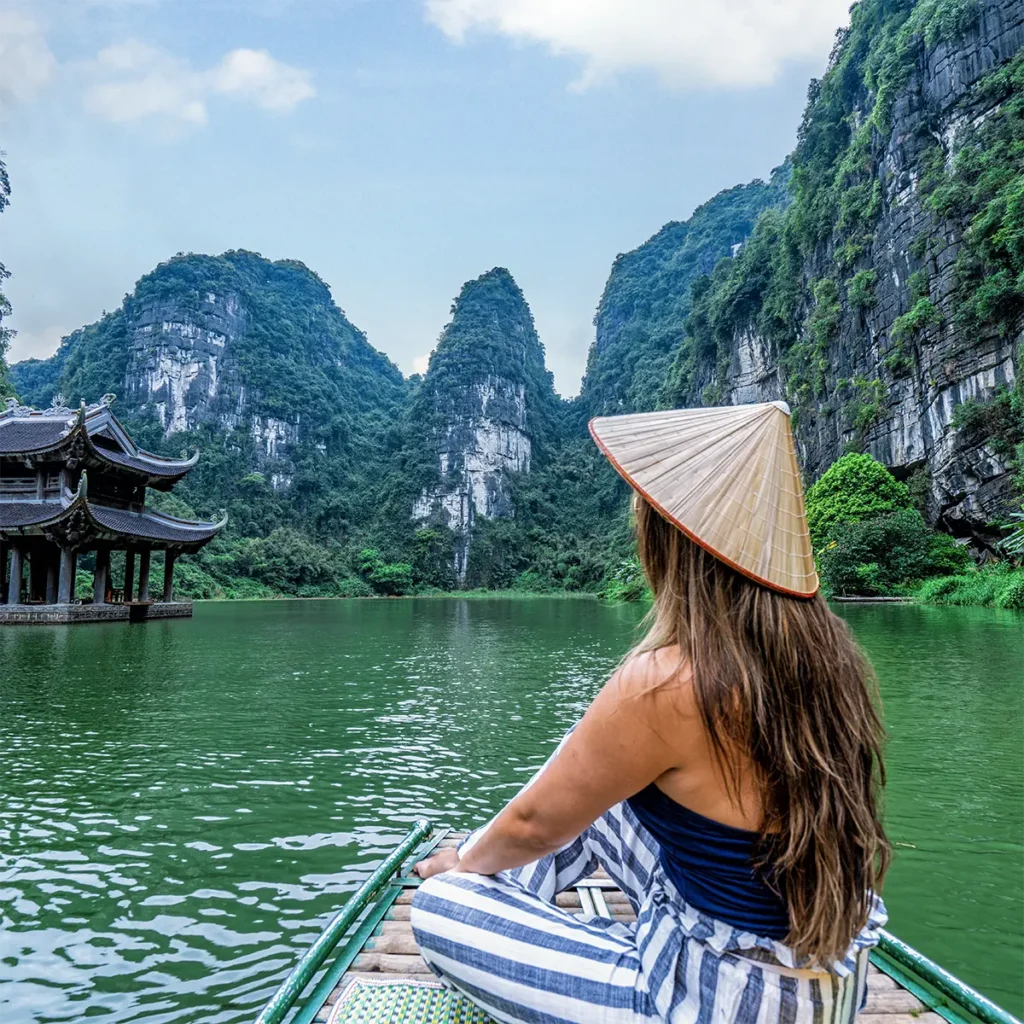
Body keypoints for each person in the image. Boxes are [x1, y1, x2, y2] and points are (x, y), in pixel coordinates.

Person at [411, 402, 889, 1024]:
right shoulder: (835, 655)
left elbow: (534, 825)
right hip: (831, 989)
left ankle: (487, 888)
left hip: (720, 1003)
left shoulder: (670, 680)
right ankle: (505, 887)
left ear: (669, 541)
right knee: (596, 792)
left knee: (440, 905)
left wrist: (463, 865)